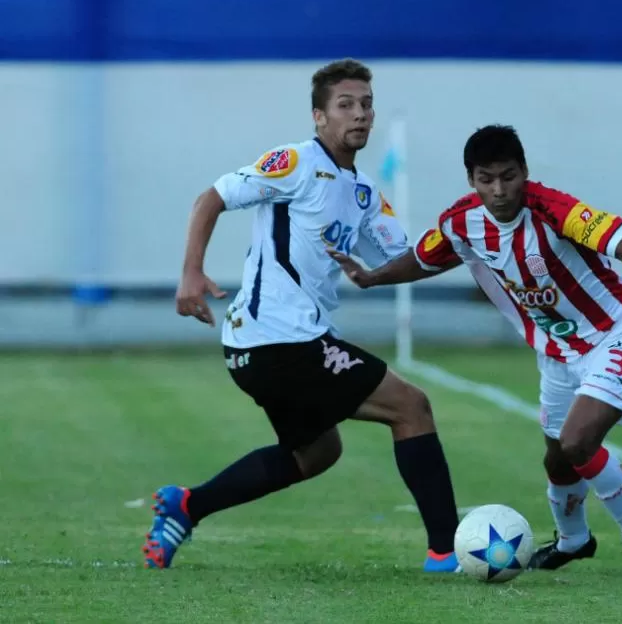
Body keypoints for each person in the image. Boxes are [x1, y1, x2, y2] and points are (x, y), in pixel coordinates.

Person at [142, 59, 462, 572]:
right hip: (280, 341)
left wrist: (462, 238)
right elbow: (212, 197)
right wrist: (191, 273)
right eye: (346, 105)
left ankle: (188, 506)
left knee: (316, 454)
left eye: (366, 104)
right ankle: (448, 552)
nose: (360, 114)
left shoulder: (362, 195)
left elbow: (407, 258)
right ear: (319, 116)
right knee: (411, 407)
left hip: (262, 349)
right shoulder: (295, 163)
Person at [329, 124, 622, 577]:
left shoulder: (554, 209)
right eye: (487, 179)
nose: (499, 190)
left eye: (508, 176)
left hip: (616, 331)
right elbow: (426, 258)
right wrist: (373, 277)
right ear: (472, 179)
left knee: (577, 441)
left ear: (524, 172)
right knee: (557, 457)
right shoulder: (461, 222)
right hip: (557, 351)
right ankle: (573, 540)